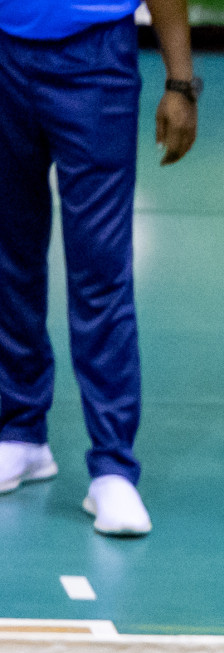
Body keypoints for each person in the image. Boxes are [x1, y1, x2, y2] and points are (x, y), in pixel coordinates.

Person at [0, 0, 198, 536]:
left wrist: (180, 82)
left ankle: (112, 467)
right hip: (5, 51)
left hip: (95, 60)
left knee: (100, 269)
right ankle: (20, 432)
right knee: (9, 256)